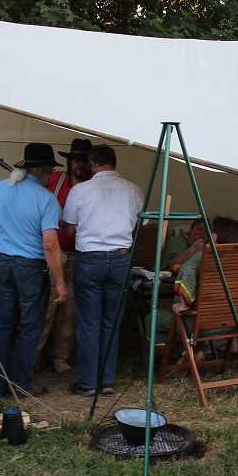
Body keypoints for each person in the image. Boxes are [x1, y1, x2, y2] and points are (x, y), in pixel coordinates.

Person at [0, 143, 67, 398]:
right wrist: (60, 283)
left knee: (2, 325)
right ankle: (19, 385)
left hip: (3, 263)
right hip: (31, 267)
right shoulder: (47, 199)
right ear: (45, 170)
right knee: (29, 326)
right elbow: (49, 245)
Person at [61, 145, 143, 397]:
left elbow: (69, 230)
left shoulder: (80, 190)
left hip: (90, 259)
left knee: (89, 322)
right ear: (114, 163)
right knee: (111, 322)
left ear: (93, 164)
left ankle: (88, 382)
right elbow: (142, 224)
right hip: (120, 258)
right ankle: (106, 380)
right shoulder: (134, 190)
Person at [33, 138, 93, 375]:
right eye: (76, 159)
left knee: (71, 311)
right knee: (45, 309)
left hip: (80, 256)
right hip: (53, 255)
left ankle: (60, 356)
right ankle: (33, 359)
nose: (79, 164)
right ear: (69, 161)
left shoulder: (93, 188)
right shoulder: (55, 181)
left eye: (84, 160)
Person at [155, 216, 238, 336]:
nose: (208, 233)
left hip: (204, 324)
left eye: (211, 230)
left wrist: (183, 304)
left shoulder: (206, 253)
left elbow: (186, 270)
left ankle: (177, 352)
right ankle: (225, 345)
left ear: (217, 236)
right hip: (237, 322)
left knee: (153, 318)